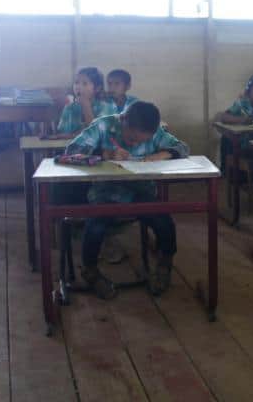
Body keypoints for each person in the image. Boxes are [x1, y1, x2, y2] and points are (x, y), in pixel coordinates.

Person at [64, 101, 190, 299]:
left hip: (140, 192)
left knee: (163, 220)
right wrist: (105, 154)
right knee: (96, 224)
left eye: (141, 141)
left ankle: (164, 264)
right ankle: (90, 270)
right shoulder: (103, 125)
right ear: (122, 120)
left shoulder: (155, 131)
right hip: (106, 192)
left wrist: (161, 155)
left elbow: (182, 147)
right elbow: (71, 151)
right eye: (131, 138)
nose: (134, 144)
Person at [53, 67, 116, 138]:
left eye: (84, 83)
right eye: (76, 83)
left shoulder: (107, 107)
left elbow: (96, 134)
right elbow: (64, 133)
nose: (78, 87)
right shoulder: (69, 108)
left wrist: (86, 106)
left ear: (97, 88)